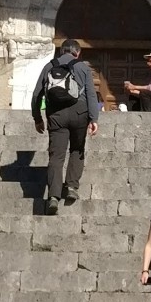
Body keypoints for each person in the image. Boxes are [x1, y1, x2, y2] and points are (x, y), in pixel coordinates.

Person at [31, 39, 100, 206]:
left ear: (61, 51)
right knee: (77, 149)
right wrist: (94, 118)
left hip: (56, 115)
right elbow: (91, 94)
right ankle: (71, 187)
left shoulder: (49, 66)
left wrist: (37, 118)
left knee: (56, 156)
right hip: (79, 113)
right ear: (78, 52)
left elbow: (36, 95)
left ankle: (53, 197)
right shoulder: (83, 67)